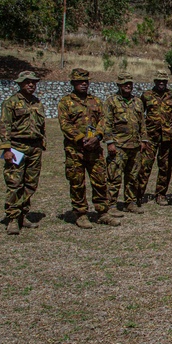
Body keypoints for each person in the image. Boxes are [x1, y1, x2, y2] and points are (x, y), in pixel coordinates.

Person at [57, 68, 118, 228]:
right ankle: (81, 213)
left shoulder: (96, 101)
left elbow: (103, 121)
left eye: (86, 81)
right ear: (73, 83)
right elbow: (65, 124)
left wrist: (97, 136)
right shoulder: (65, 102)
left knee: (100, 181)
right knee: (77, 182)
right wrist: (80, 138)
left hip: (95, 149)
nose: (84, 84)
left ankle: (102, 212)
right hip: (75, 150)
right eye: (79, 81)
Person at [0, 71, 46, 234]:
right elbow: (4, 126)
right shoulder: (11, 102)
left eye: (33, 82)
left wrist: (42, 144)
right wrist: (6, 149)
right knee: (14, 183)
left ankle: (22, 215)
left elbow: (41, 126)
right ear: (20, 83)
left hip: (34, 148)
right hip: (16, 147)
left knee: (31, 183)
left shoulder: (37, 103)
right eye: (27, 82)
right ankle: (12, 218)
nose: (31, 84)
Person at [105, 73, 150, 215]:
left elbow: (142, 122)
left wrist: (144, 140)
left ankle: (129, 203)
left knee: (133, 177)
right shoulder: (111, 101)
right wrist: (109, 142)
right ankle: (111, 205)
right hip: (118, 146)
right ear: (119, 85)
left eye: (130, 83)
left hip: (135, 146)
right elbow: (106, 123)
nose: (128, 86)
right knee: (114, 177)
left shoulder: (137, 102)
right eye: (125, 84)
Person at [137, 71, 172, 206]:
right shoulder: (146, 95)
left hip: (167, 139)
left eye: (164, 81)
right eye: (159, 81)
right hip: (150, 138)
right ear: (154, 81)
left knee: (165, 168)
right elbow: (139, 115)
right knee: (144, 167)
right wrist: (141, 136)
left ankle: (161, 194)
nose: (161, 83)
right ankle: (138, 195)